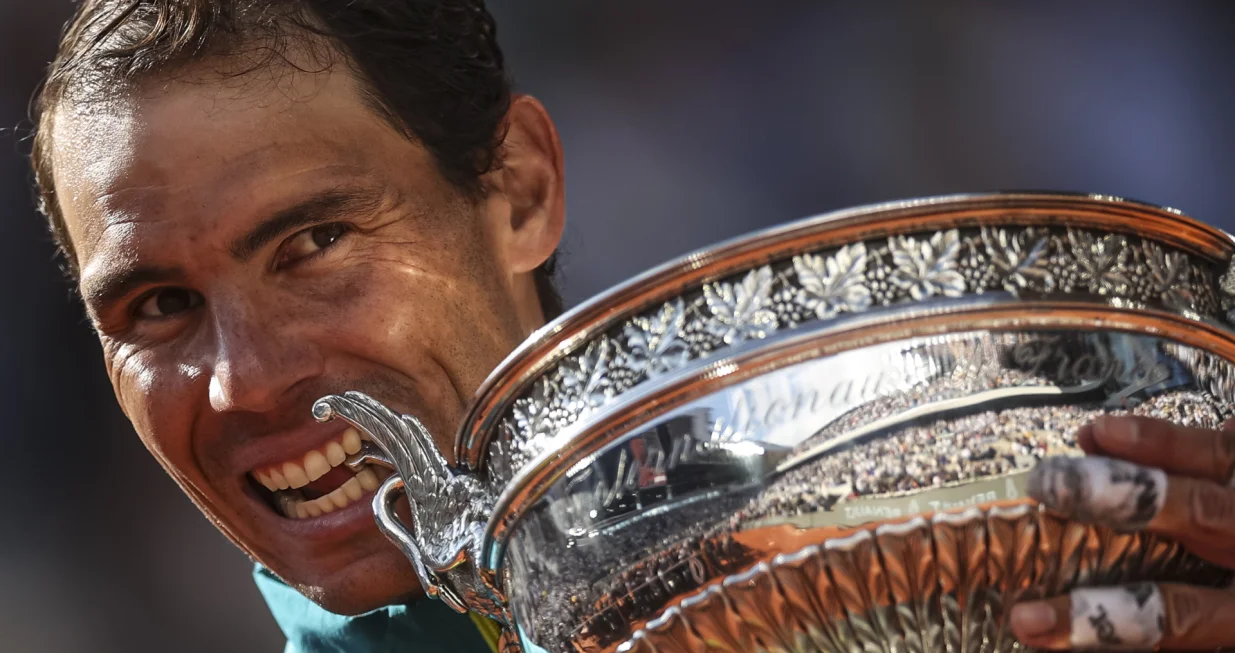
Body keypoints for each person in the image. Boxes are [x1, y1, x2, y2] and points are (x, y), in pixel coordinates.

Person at [26, 1, 1235, 651]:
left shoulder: (925, 550)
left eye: (314, 242)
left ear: (518, 190)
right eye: (158, 307)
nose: (242, 380)